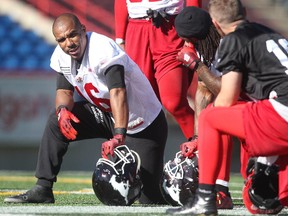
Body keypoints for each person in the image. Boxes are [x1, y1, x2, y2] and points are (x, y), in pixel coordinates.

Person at [4, 13, 168, 205]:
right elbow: (64, 91)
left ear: (83, 30)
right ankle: (43, 187)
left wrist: (118, 136)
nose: (69, 43)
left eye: (72, 35)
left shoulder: (102, 49)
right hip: (108, 115)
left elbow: (118, 92)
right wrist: (62, 110)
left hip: (142, 123)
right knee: (55, 121)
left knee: (149, 199)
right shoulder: (61, 55)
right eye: (62, 40)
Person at [167, 0, 288, 215]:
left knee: (211, 116)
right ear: (245, 13)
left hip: (280, 112)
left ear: (215, 22)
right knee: (262, 201)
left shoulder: (233, 40)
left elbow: (226, 100)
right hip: (277, 107)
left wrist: (201, 137)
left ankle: (206, 198)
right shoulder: (268, 31)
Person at [114, 0, 202, 141]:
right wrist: (120, 39)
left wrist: (191, 36)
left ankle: (201, 149)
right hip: (135, 32)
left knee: (174, 102)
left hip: (169, 28)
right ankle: (148, 160)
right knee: (142, 107)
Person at [173, 6, 233, 209]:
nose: (187, 44)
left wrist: (197, 65)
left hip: (267, 103)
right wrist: (197, 138)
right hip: (249, 103)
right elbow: (203, 92)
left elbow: (226, 92)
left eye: (191, 40)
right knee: (213, 118)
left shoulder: (228, 43)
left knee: (220, 119)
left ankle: (221, 191)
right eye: (184, 39)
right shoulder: (202, 45)